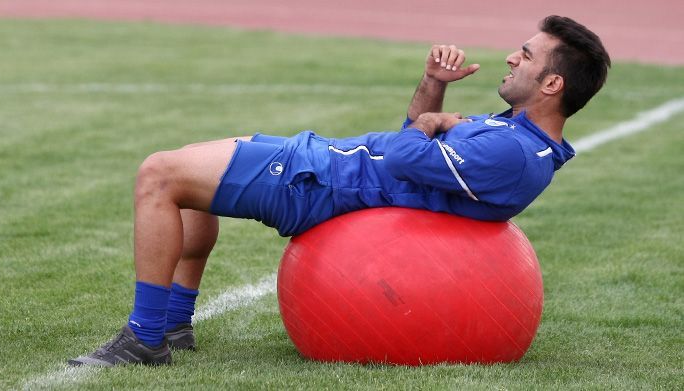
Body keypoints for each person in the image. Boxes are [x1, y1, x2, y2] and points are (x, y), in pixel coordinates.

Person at [68, 15, 610, 366]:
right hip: (327, 166)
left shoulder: (513, 152)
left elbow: (403, 151)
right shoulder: (518, 138)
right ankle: (174, 324)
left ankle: (145, 338)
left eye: (527, 54)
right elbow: (413, 150)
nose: (513, 58)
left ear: (552, 84)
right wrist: (434, 90)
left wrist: (433, 125)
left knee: (158, 176)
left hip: (321, 182)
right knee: (183, 172)